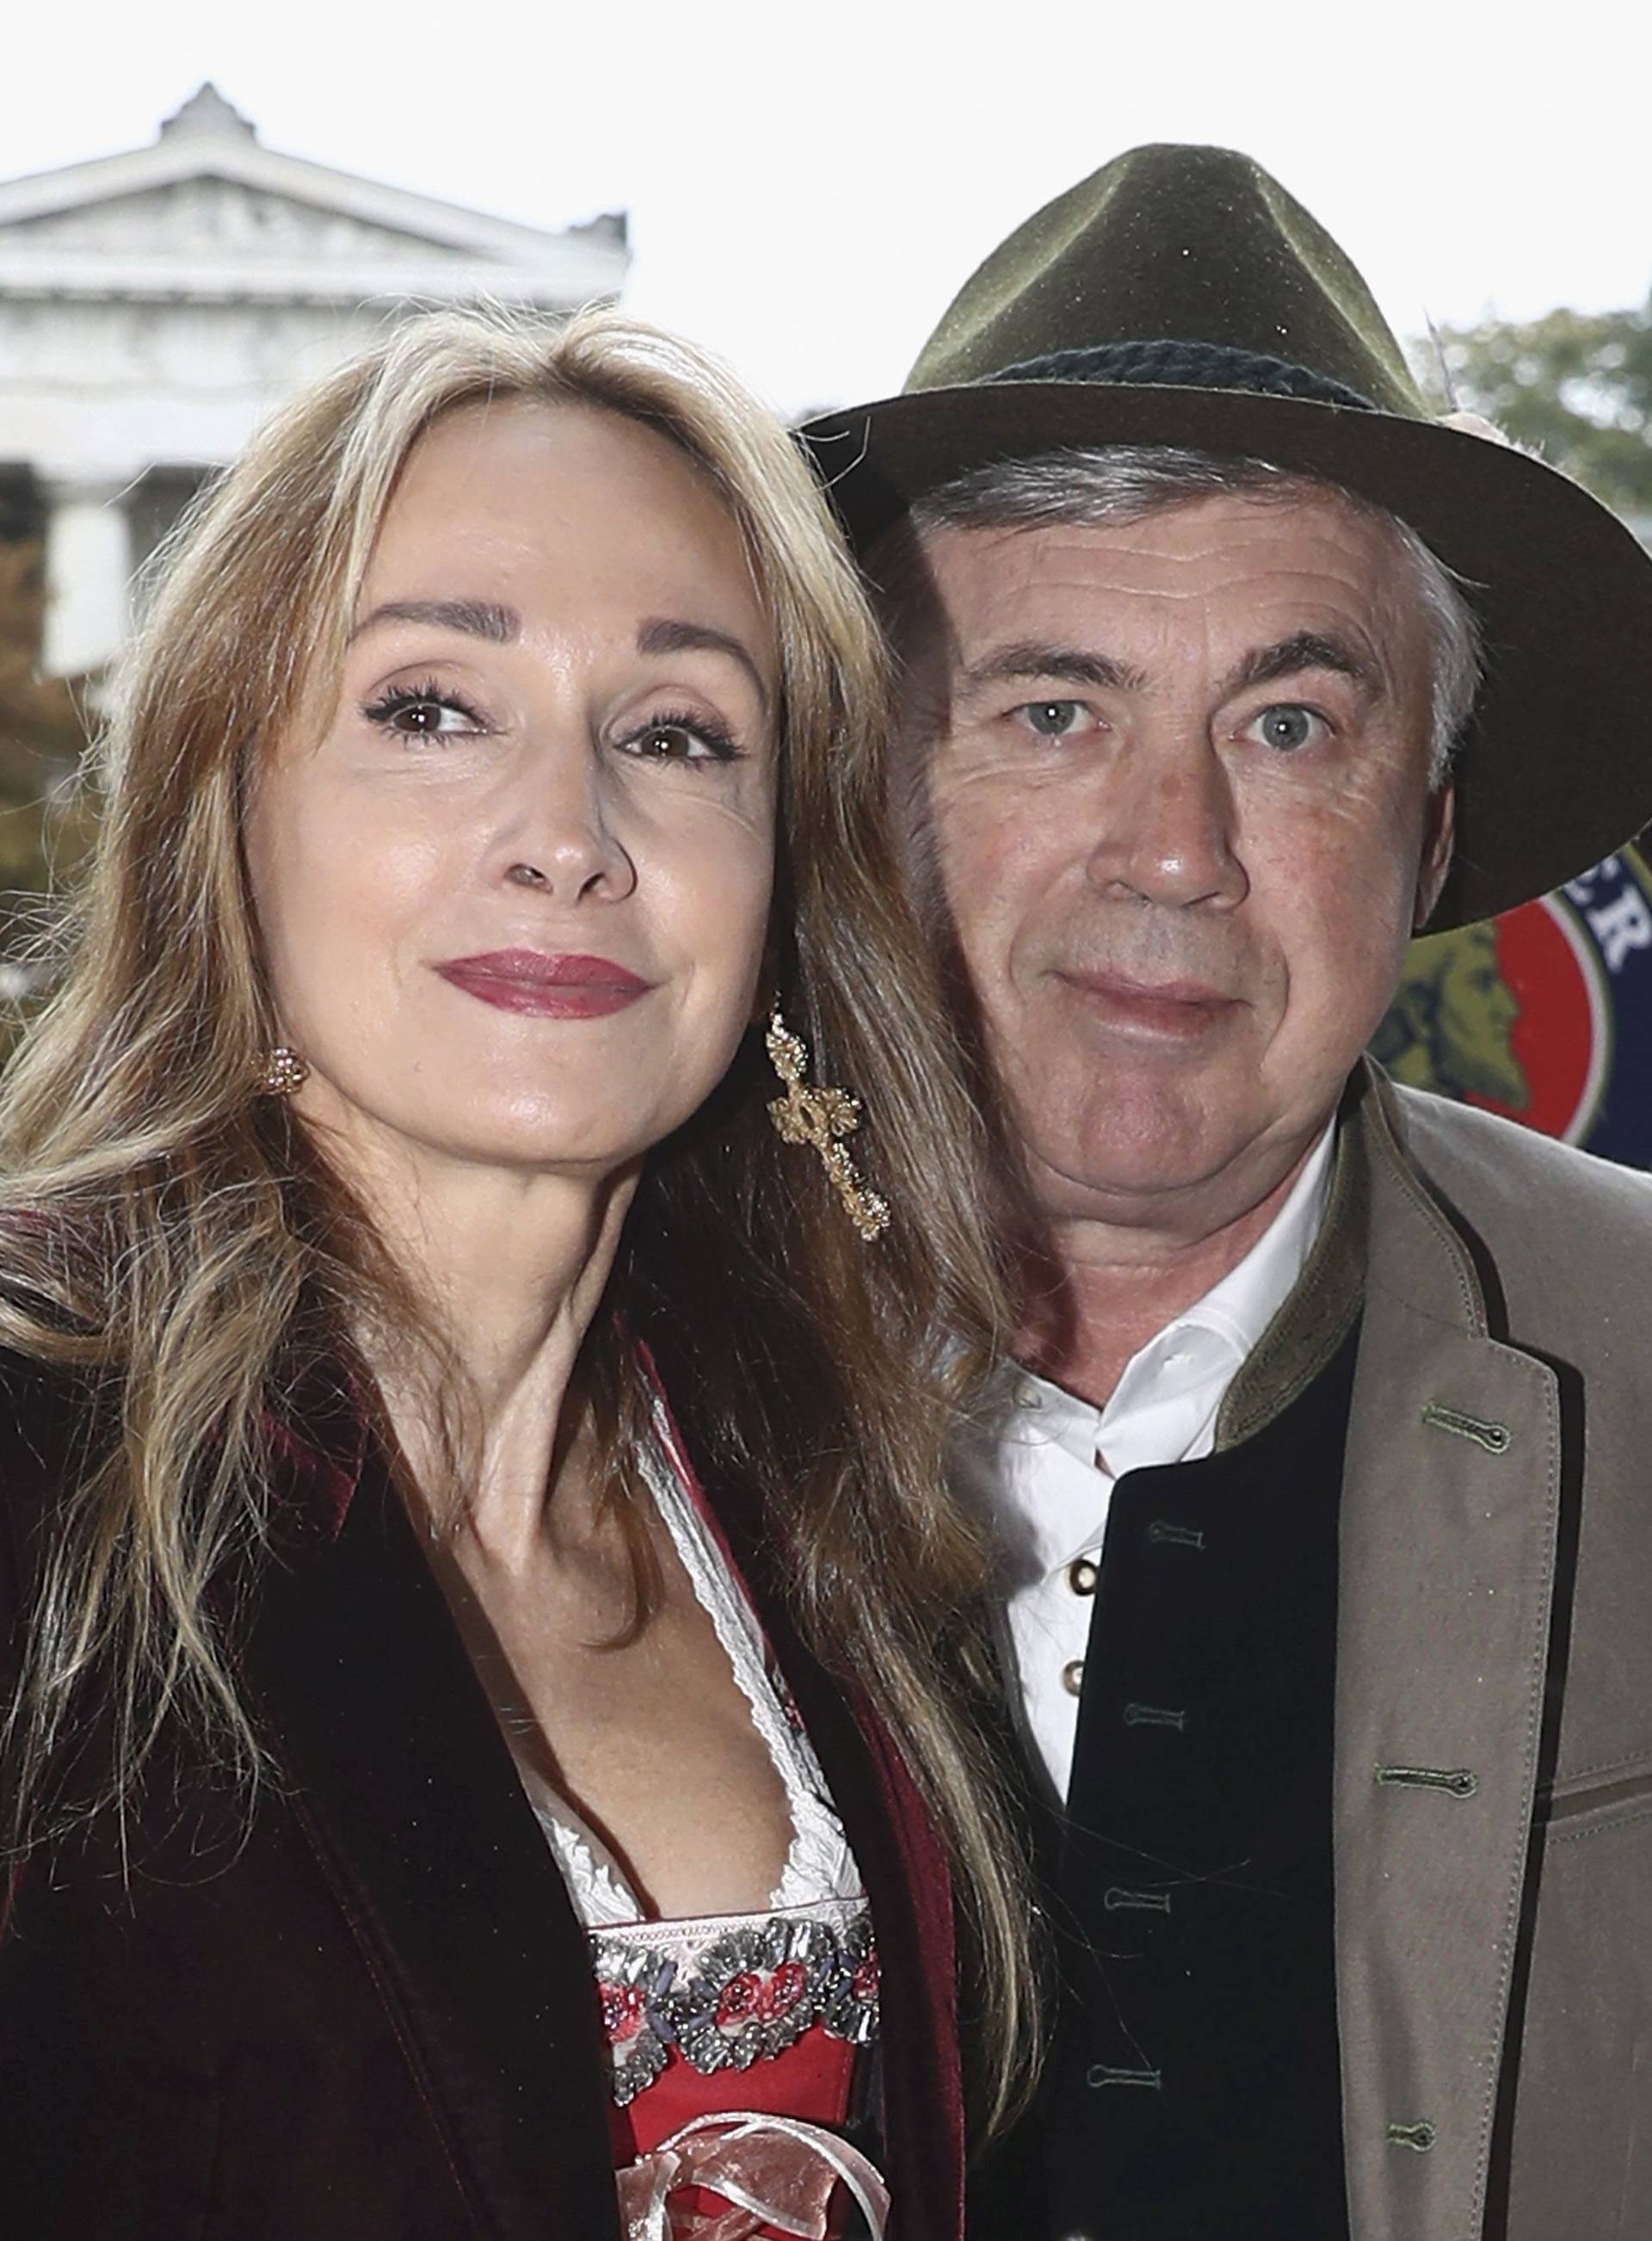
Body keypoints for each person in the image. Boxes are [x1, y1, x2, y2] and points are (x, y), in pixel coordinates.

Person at [0, 306, 1035, 2240]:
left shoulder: (831, 1505)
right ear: (226, 812)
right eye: (431, 710)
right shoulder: (34, 1456)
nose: (567, 836)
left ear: (786, 880)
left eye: (675, 736)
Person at [804, 145, 1652, 2239]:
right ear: (870, 793)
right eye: (1051, 709)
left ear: (1428, 839)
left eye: (1288, 724)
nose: (1172, 846)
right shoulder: (566, 1368)